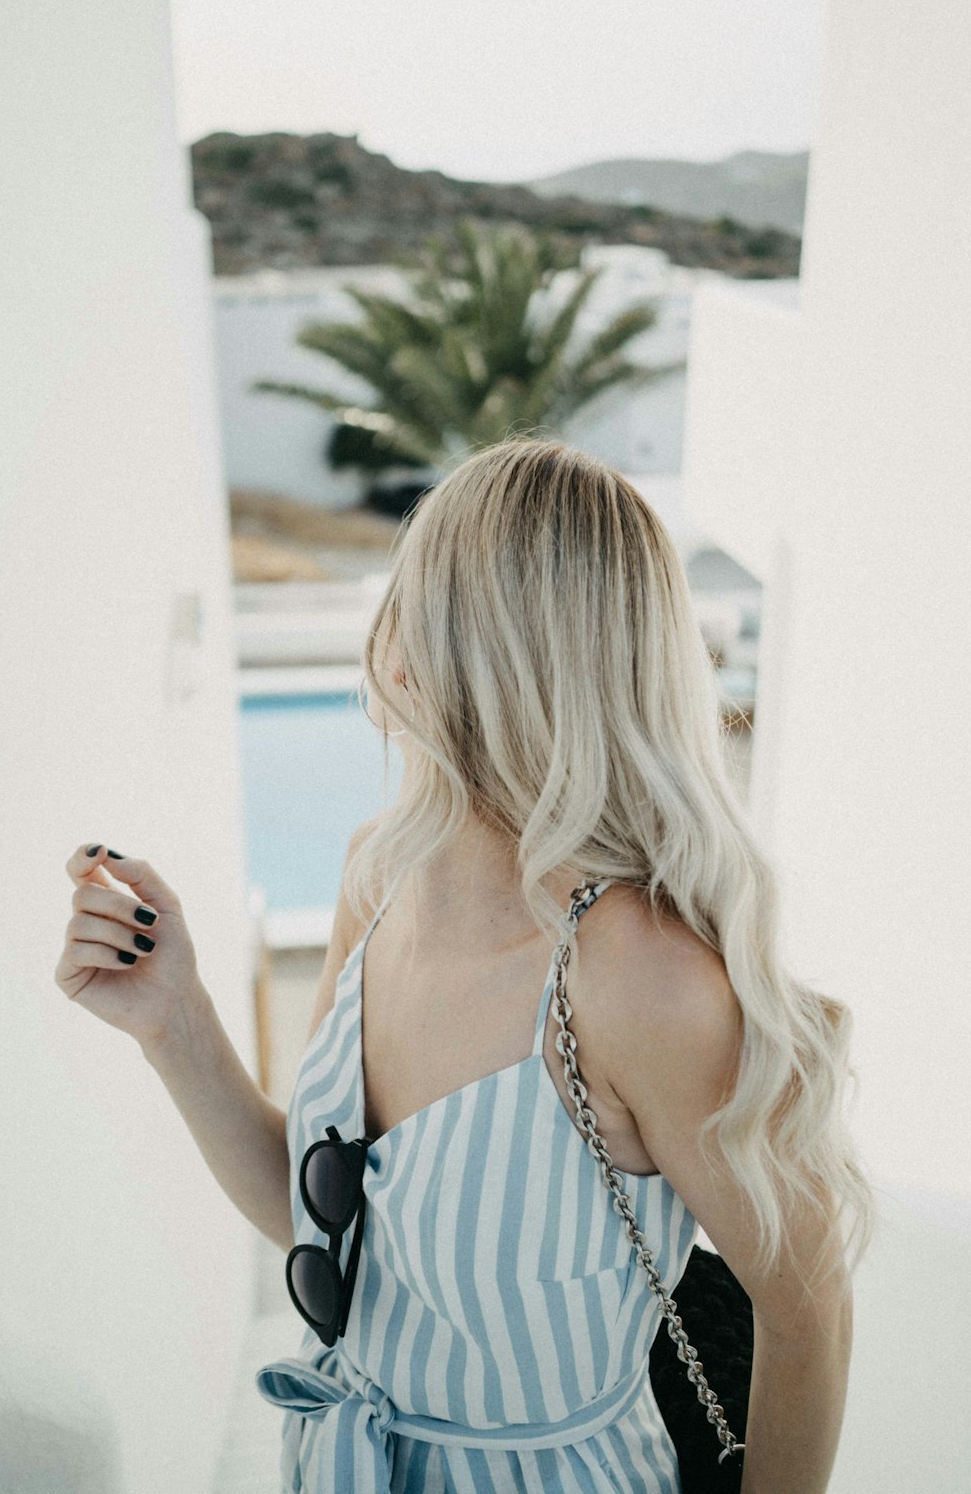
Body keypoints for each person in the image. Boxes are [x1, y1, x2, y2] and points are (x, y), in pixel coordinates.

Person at [56, 435, 875, 1493]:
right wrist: (174, 1021)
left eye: (411, 593)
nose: (382, 630)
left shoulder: (634, 976)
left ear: (453, 648)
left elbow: (807, 1310)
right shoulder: (378, 872)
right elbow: (318, 1230)